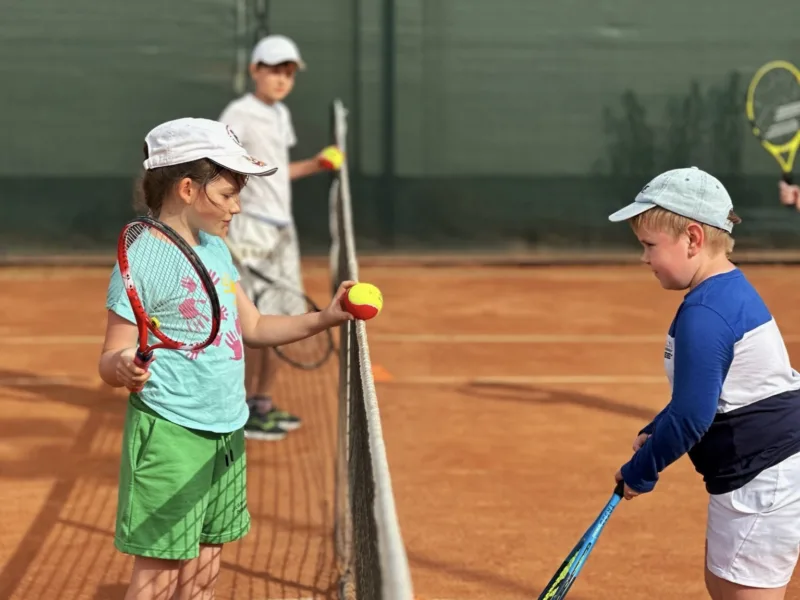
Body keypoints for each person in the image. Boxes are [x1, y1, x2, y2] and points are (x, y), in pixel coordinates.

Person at [98, 117, 354, 600]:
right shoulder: (142, 261)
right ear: (188, 188)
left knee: (204, 571)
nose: (237, 207)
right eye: (228, 194)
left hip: (227, 428)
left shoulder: (215, 249)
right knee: (159, 576)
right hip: (170, 435)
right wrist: (124, 366)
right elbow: (111, 355)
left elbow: (254, 326)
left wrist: (325, 317)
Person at [608, 166, 800, 600]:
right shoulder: (722, 293)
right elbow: (713, 391)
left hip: (763, 477)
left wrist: (643, 471)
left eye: (649, 246)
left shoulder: (705, 314)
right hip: (763, 471)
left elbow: (694, 416)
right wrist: (657, 427)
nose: (644, 259)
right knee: (724, 584)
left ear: (693, 239)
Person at [218, 34, 341, 441]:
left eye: (288, 72)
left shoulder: (279, 115)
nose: (281, 79)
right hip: (250, 230)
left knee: (276, 319)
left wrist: (316, 164)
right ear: (255, 71)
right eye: (273, 70)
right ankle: (244, 407)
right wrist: (227, 221)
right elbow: (219, 167)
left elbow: (275, 170)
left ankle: (261, 403)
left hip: (281, 231)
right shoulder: (239, 113)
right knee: (254, 325)